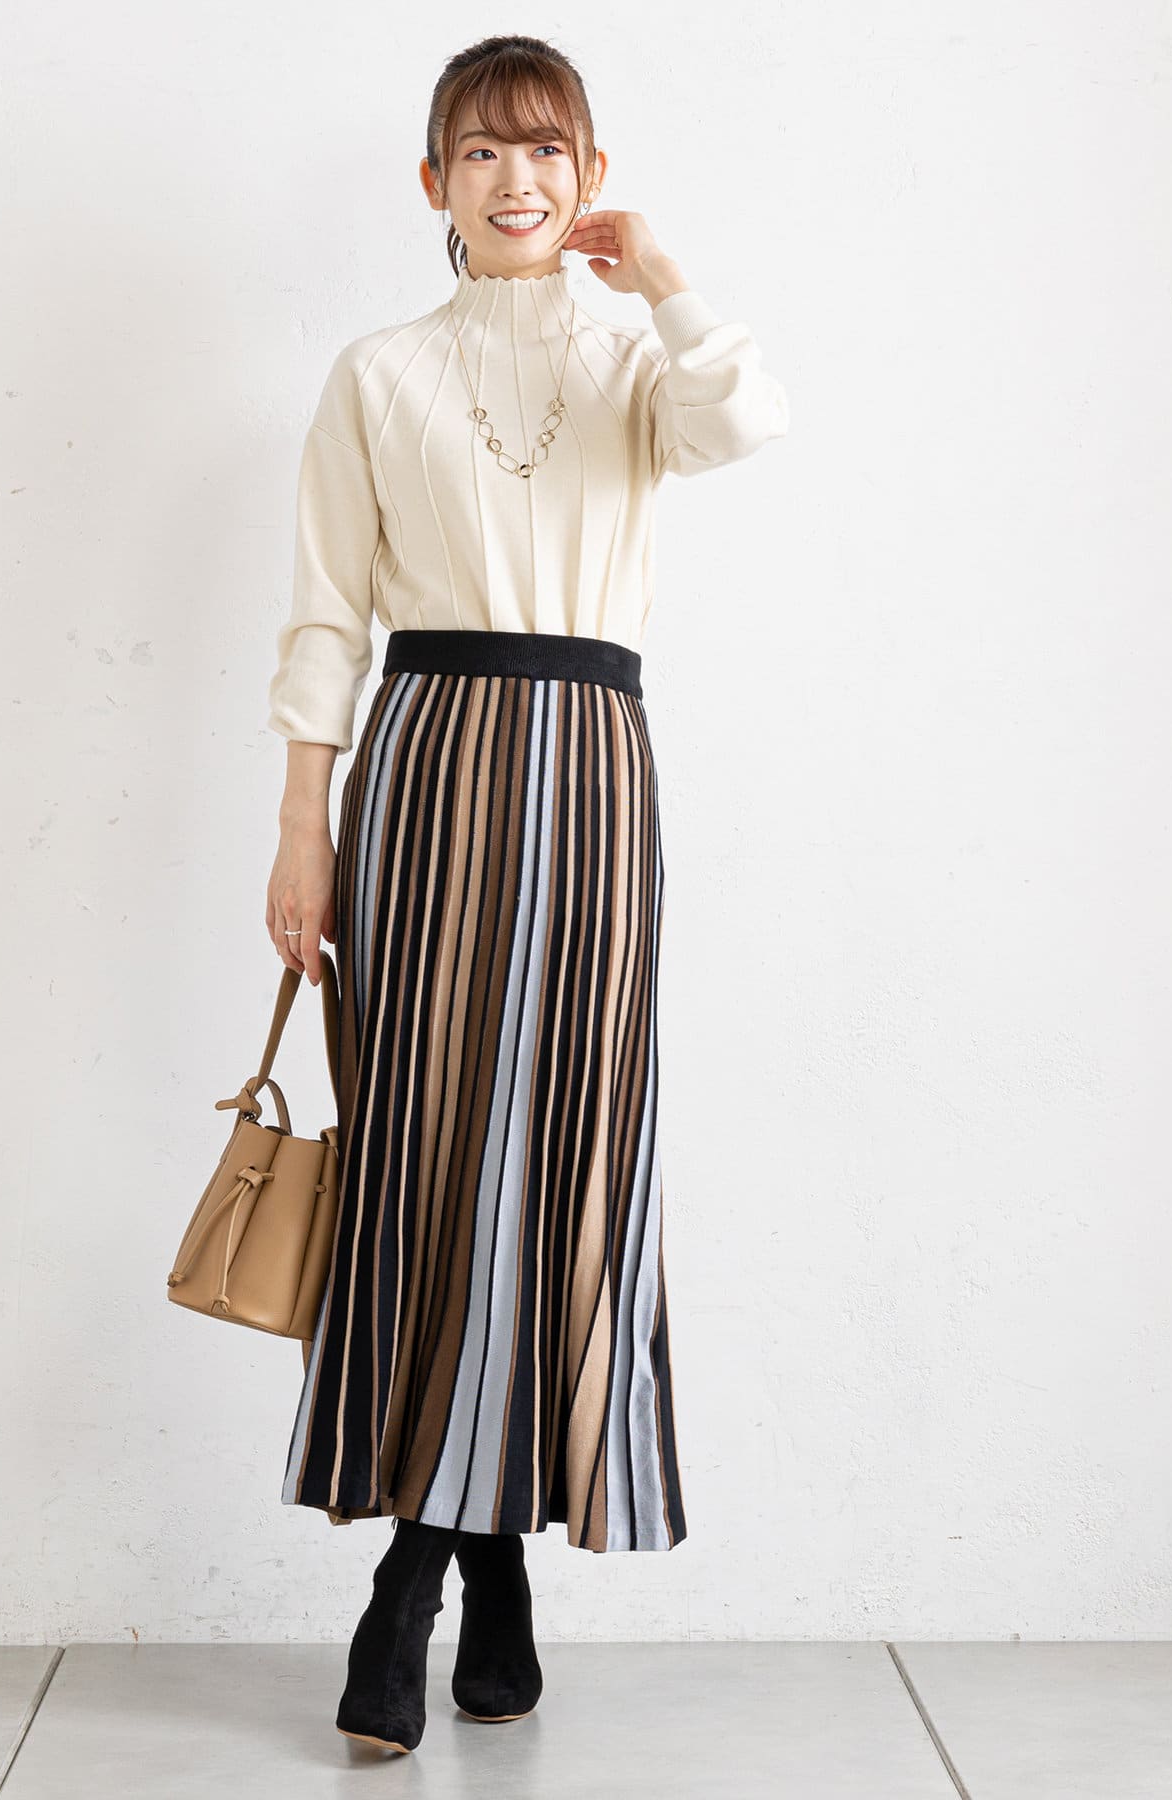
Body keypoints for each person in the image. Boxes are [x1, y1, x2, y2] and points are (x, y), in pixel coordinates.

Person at [263, 34, 790, 1755]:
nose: (515, 181)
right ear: (435, 183)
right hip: (428, 768)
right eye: (482, 153)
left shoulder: (639, 360)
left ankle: (429, 1571)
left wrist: (669, 276)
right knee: (430, 1151)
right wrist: (301, 824)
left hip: (596, 770)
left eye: (545, 150)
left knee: (561, 1151)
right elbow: (327, 613)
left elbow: (748, 422)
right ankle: (470, 1576)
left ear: (589, 174)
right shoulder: (379, 372)